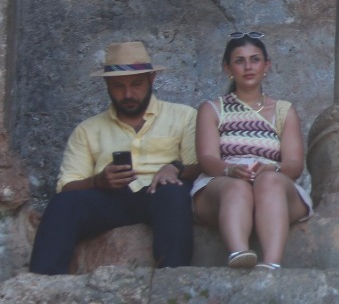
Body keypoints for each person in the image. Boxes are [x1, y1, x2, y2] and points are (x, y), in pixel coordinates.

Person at [28, 41, 199, 274]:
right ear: (107, 84)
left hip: (160, 194)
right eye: (118, 86)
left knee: (173, 193)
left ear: (151, 79)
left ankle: (172, 279)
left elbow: (199, 167)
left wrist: (174, 168)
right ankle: (43, 284)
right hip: (110, 198)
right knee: (63, 205)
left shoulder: (183, 116)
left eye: (136, 84)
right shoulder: (88, 130)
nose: (128, 94)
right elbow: (66, 186)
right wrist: (98, 181)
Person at [191, 32, 311, 270]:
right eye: (239, 61)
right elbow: (207, 158)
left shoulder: (283, 110)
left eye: (255, 59)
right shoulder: (212, 109)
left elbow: (295, 165)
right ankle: (239, 253)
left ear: (267, 65)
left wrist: (272, 168)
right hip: (223, 182)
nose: (248, 67)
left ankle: (271, 264)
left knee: (268, 181)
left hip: (274, 185)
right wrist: (230, 169)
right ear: (227, 67)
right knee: (237, 187)